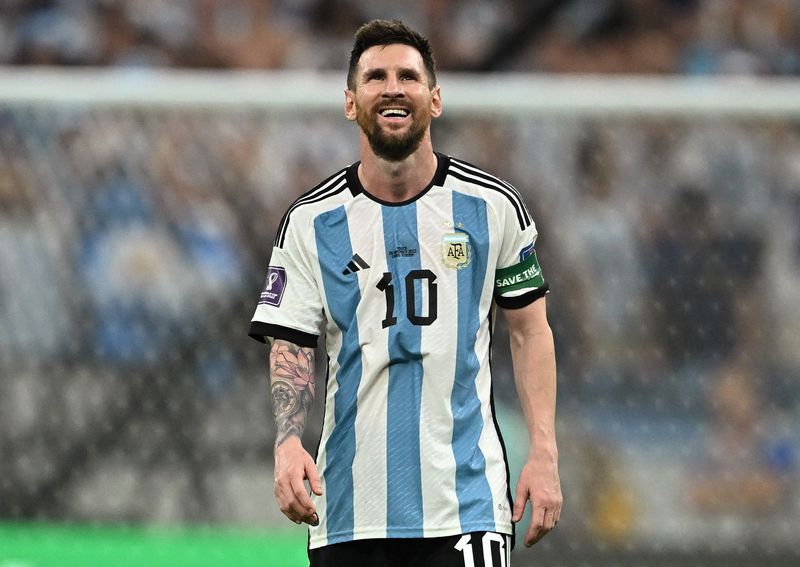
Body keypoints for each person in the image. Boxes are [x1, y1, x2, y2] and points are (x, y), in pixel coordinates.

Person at [249, 19, 562, 566]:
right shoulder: (310, 222)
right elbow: (292, 345)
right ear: (351, 103)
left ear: (434, 99)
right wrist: (287, 441)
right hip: (348, 512)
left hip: (466, 507)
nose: (392, 87)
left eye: (408, 76)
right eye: (375, 77)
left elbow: (530, 330)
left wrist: (544, 451)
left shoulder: (492, 208)